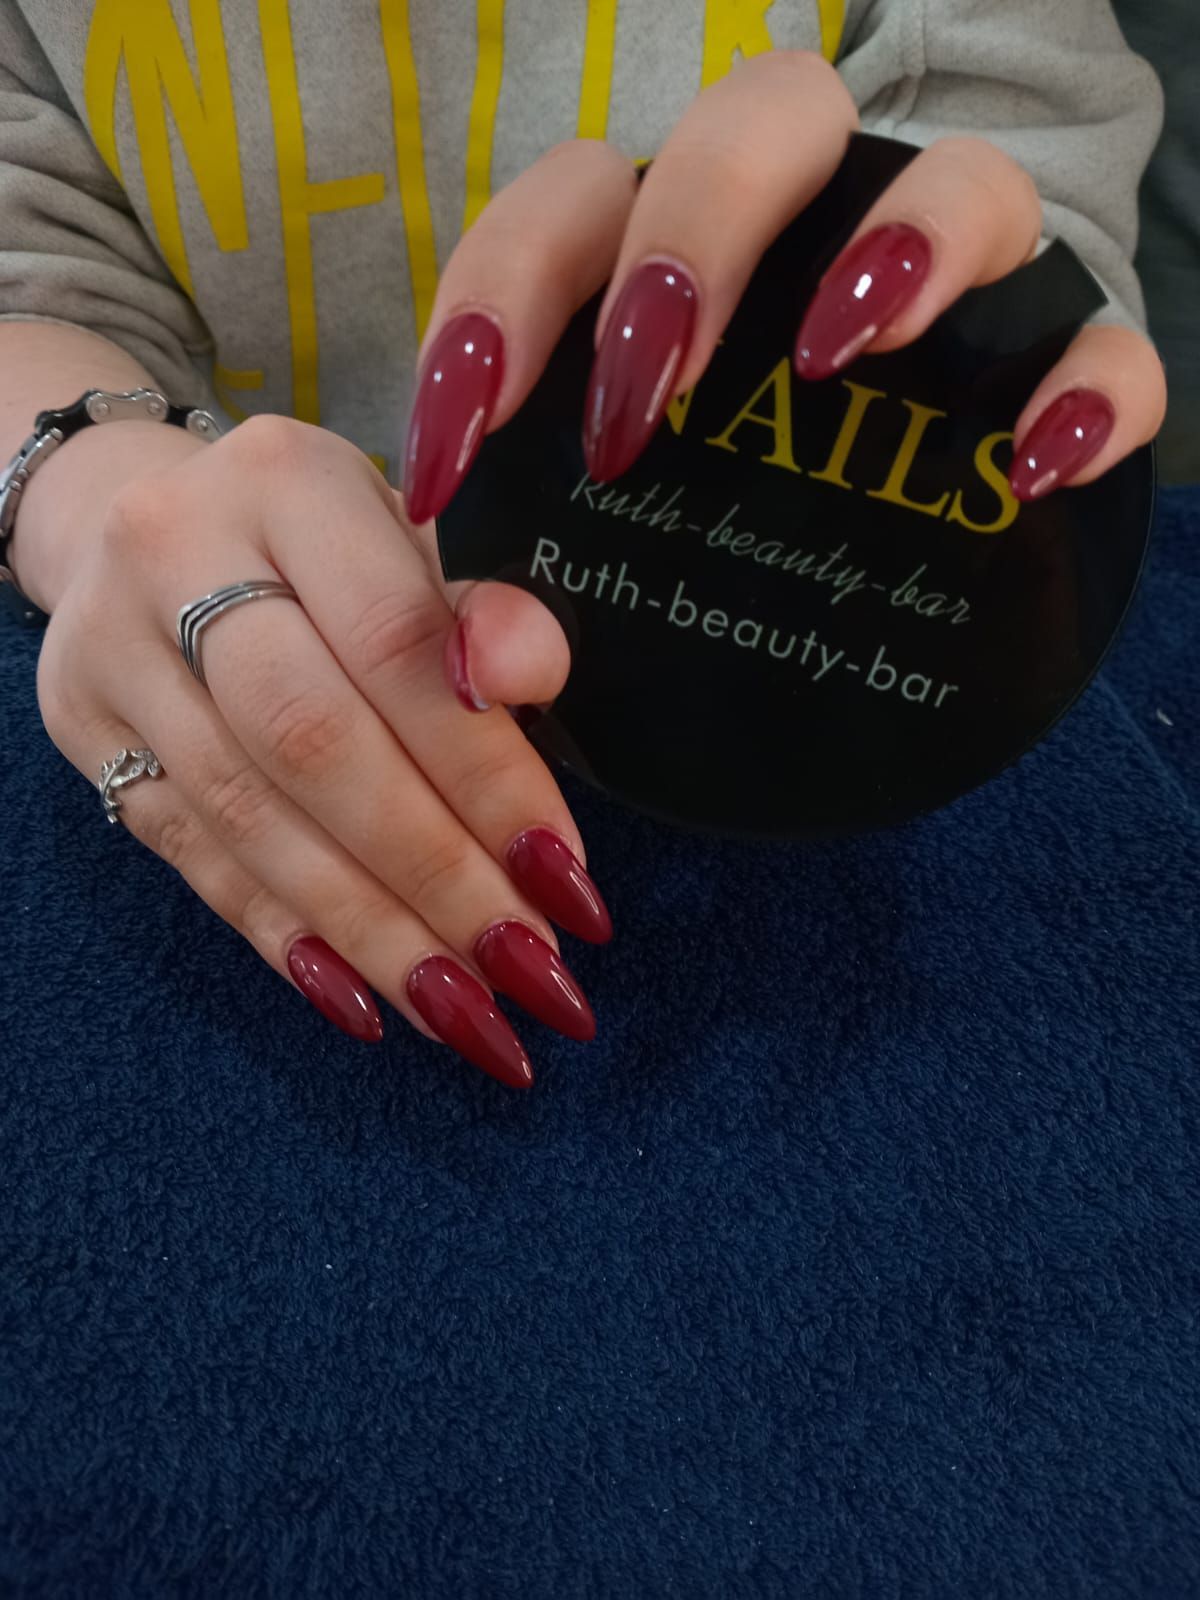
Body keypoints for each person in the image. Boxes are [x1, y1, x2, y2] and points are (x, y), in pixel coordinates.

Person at [0, 0, 1167, 1087]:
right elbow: (30, 255)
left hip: (797, 742)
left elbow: (1031, 194)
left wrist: (968, 363)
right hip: (221, 683)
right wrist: (92, 484)